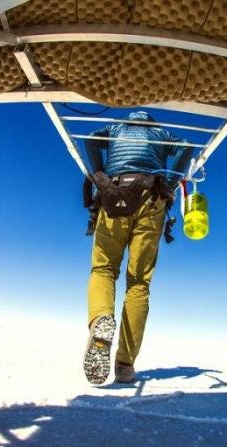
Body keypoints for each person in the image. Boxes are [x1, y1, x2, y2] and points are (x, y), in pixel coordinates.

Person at [82, 110, 193, 384]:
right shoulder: (160, 133)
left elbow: (91, 139)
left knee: (104, 270)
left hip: (114, 193)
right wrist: (169, 183)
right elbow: (186, 147)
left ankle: (101, 319)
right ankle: (125, 365)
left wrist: (99, 175)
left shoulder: (116, 128)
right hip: (152, 198)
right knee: (139, 284)